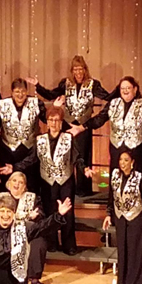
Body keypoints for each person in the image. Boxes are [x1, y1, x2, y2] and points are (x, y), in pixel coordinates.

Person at [27, 55, 114, 196]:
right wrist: (38, 85)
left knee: (83, 156)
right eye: (75, 70)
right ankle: (65, 186)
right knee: (65, 155)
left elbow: (107, 97)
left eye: (81, 69)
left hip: (83, 125)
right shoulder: (65, 83)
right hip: (67, 125)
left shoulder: (93, 84)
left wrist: (119, 93)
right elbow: (50, 95)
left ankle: (83, 190)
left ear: (85, 70)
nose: (78, 73)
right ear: (72, 71)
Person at [15, 106, 93, 255]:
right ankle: (51, 242)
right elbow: (31, 159)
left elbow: (77, 157)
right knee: (50, 212)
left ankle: (69, 244)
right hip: (46, 181)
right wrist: (14, 167)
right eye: (51, 120)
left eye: (57, 120)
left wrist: (84, 169)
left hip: (65, 181)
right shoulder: (40, 140)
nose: (54, 123)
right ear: (47, 122)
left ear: (61, 121)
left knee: (68, 213)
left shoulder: (68, 138)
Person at [102, 151, 142, 284]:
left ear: (132, 162)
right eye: (121, 159)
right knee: (122, 250)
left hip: (136, 217)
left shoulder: (140, 178)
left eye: (126, 160)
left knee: (135, 251)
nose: (123, 163)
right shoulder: (115, 175)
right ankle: (122, 281)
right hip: (121, 217)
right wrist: (109, 214)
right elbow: (112, 197)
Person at [71, 76, 142, 174]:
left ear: (135, 89)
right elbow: (100, 119)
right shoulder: (113, 103)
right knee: (116, 179)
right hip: (117, 149)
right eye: (122, 88)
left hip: (138, 150)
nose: (125, 91)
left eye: (128, 88)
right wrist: (81, 127)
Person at [0, 172, 48, 284]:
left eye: (21, 182)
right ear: (9, 183)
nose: (17, 184)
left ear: (25, 186)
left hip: (26, 230)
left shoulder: (32, 197)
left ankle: (34, 278)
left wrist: (35, 216)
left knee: (39, 241)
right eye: (14, 181)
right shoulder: (0, 197)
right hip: (5, 230)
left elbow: (41, 214)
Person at [0, 78, 47, 193]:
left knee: (31, 186)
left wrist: (56, 108)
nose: (20, 95)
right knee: (8, 187)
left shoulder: (36, 103)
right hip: (8, 151)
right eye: (17, 92)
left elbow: (48, 119)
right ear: (12, 92)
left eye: (23, 91)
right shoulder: (2, 105)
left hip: (29, 151)